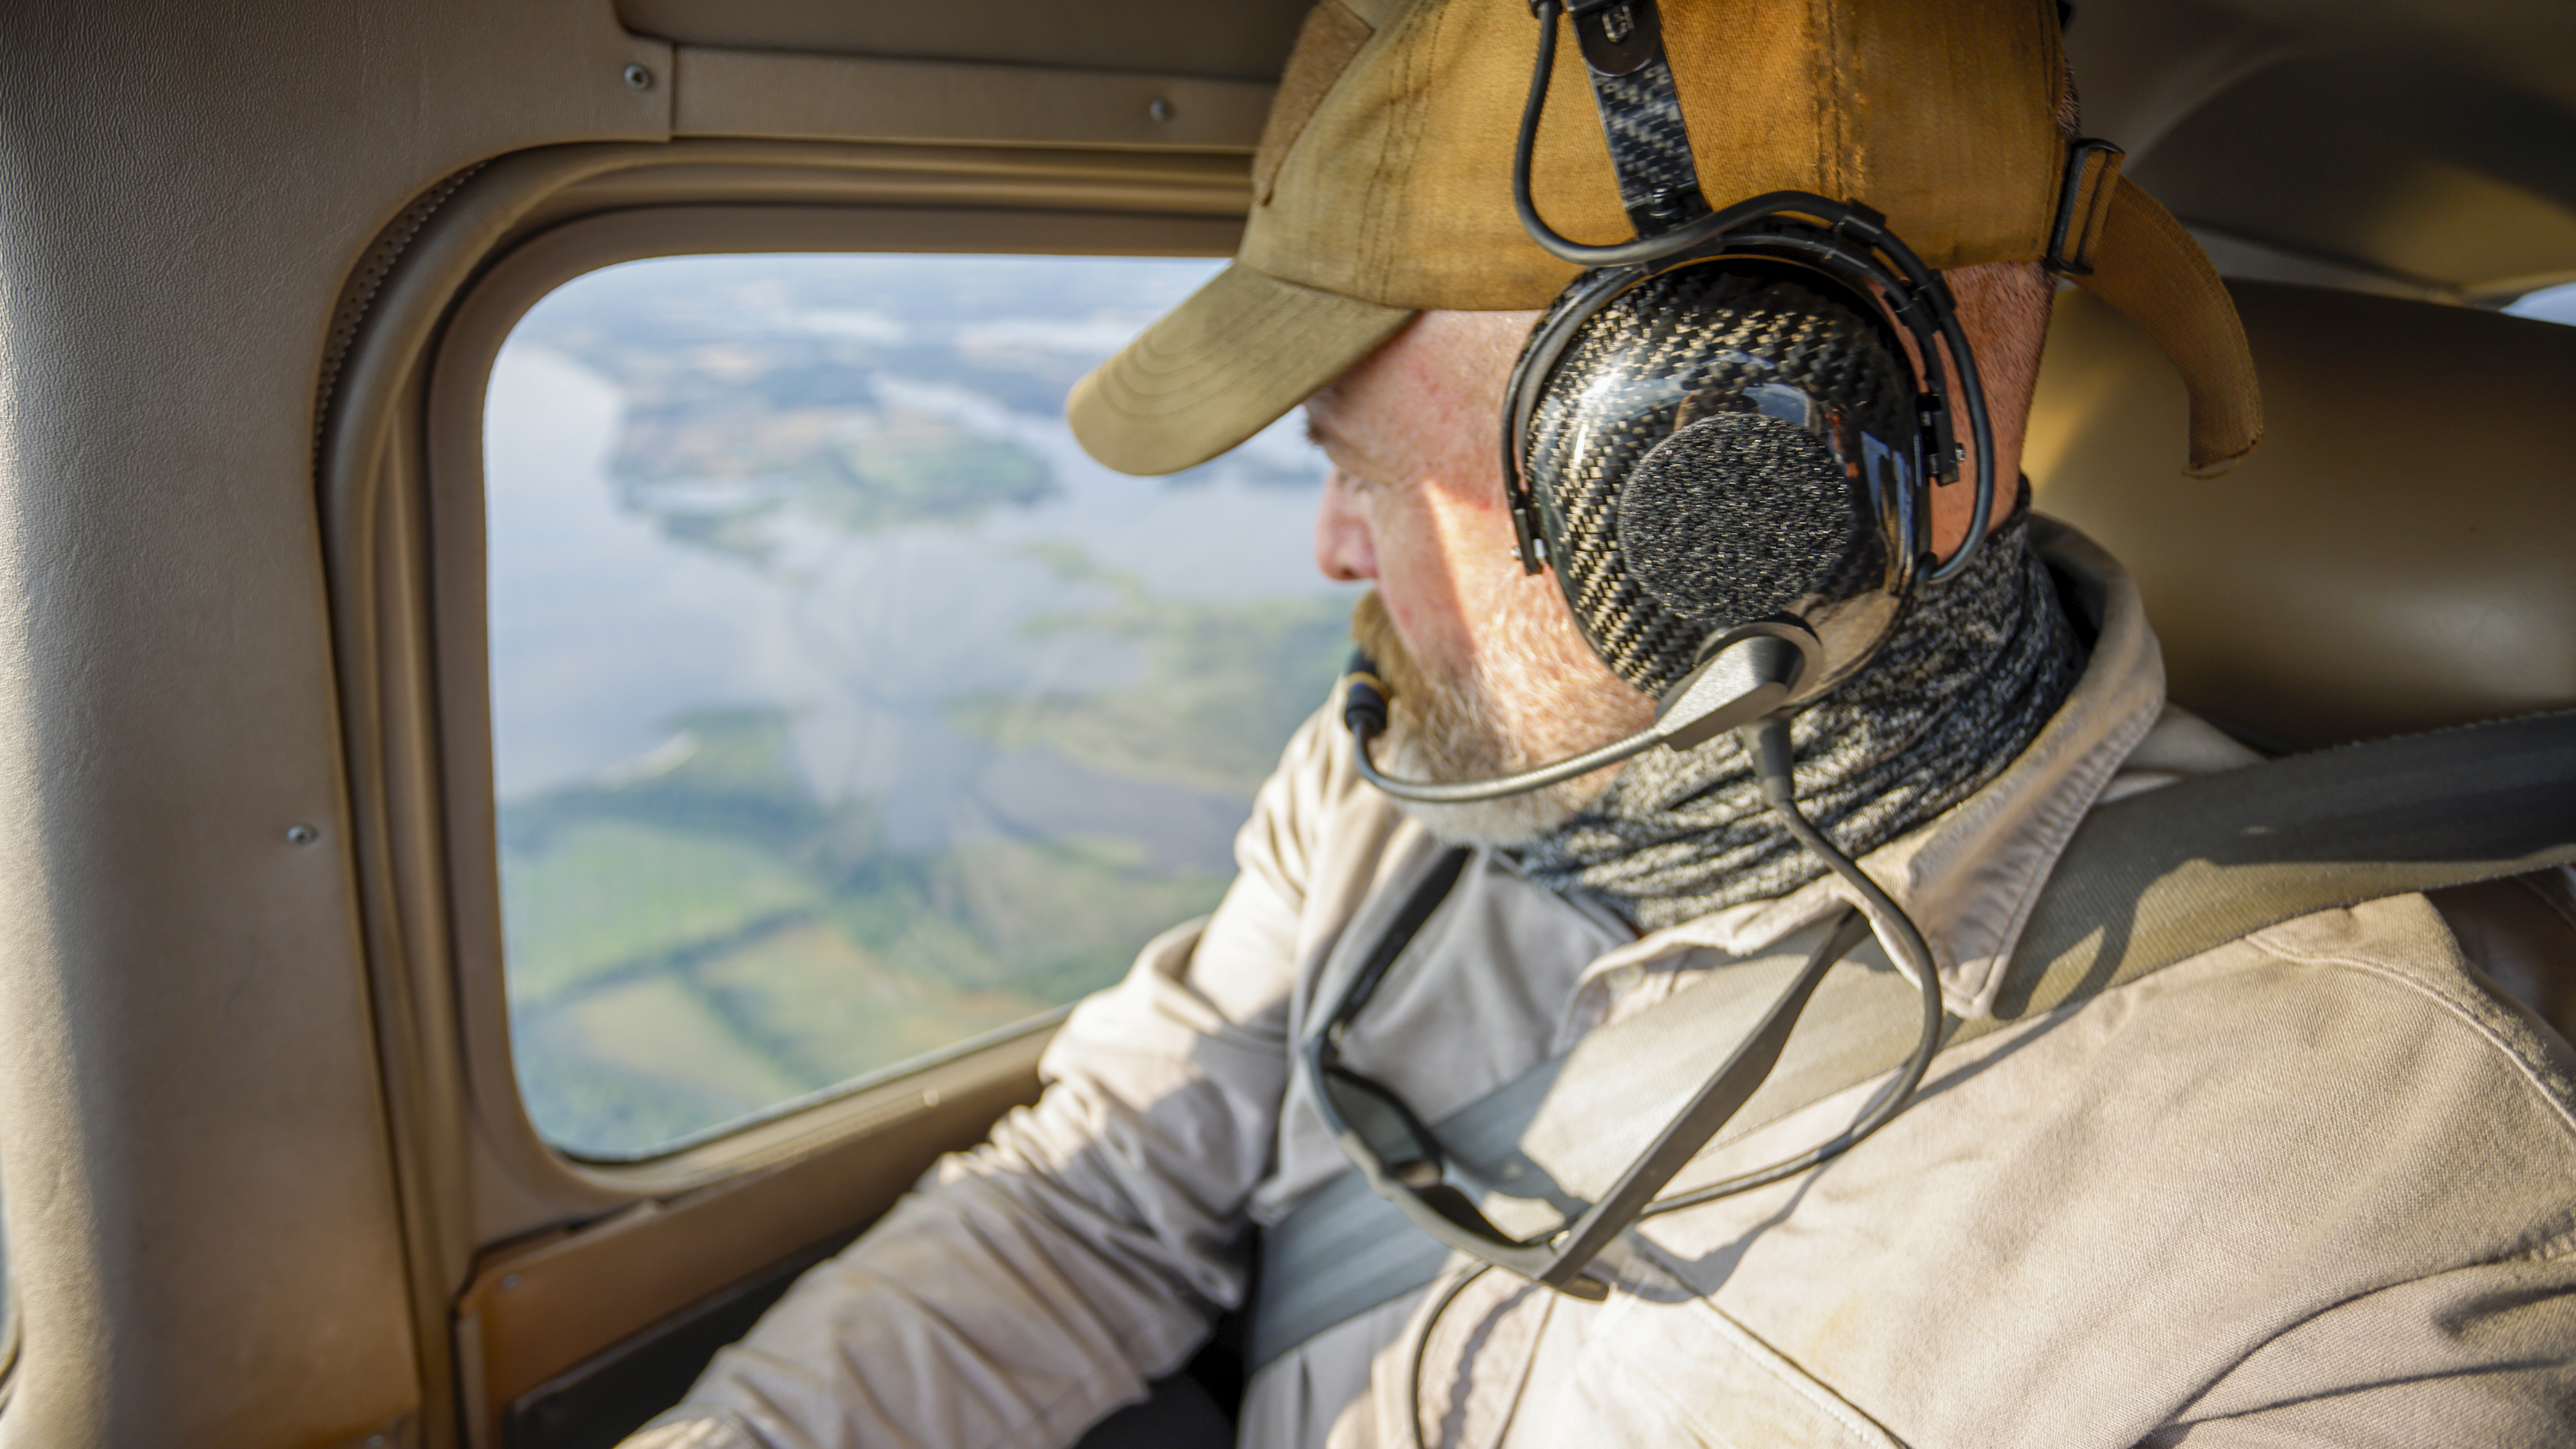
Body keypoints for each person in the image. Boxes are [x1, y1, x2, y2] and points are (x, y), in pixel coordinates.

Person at [624, 2, 2576, 1445]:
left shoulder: (2372, 1200)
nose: (1326, 554)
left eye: (1365, 474)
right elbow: (1097, 1208)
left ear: (1723, 471)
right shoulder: (1400, 784)